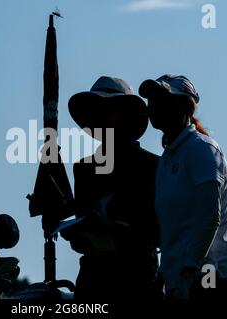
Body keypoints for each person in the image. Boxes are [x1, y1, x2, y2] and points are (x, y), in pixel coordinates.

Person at [138, 74, 227, 299]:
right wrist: (166, 275)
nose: (153, 106)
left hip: (211, 279)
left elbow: (209, 218)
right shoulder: (168, 158)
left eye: (162, 100)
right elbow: (174, 230)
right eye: (152, 100)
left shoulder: (201, 149)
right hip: (184, 281)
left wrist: (187, 273)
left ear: (185, 106)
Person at [62, 76, 161, 300]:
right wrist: (70, 229)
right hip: (93, 281)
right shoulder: (84, 169)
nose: (100, 118)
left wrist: (115, 228)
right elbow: (80, 242)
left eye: (108, 110)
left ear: (126, 115)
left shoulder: (152, 167)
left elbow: (160, 234)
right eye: (95, 112)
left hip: (137, 281)